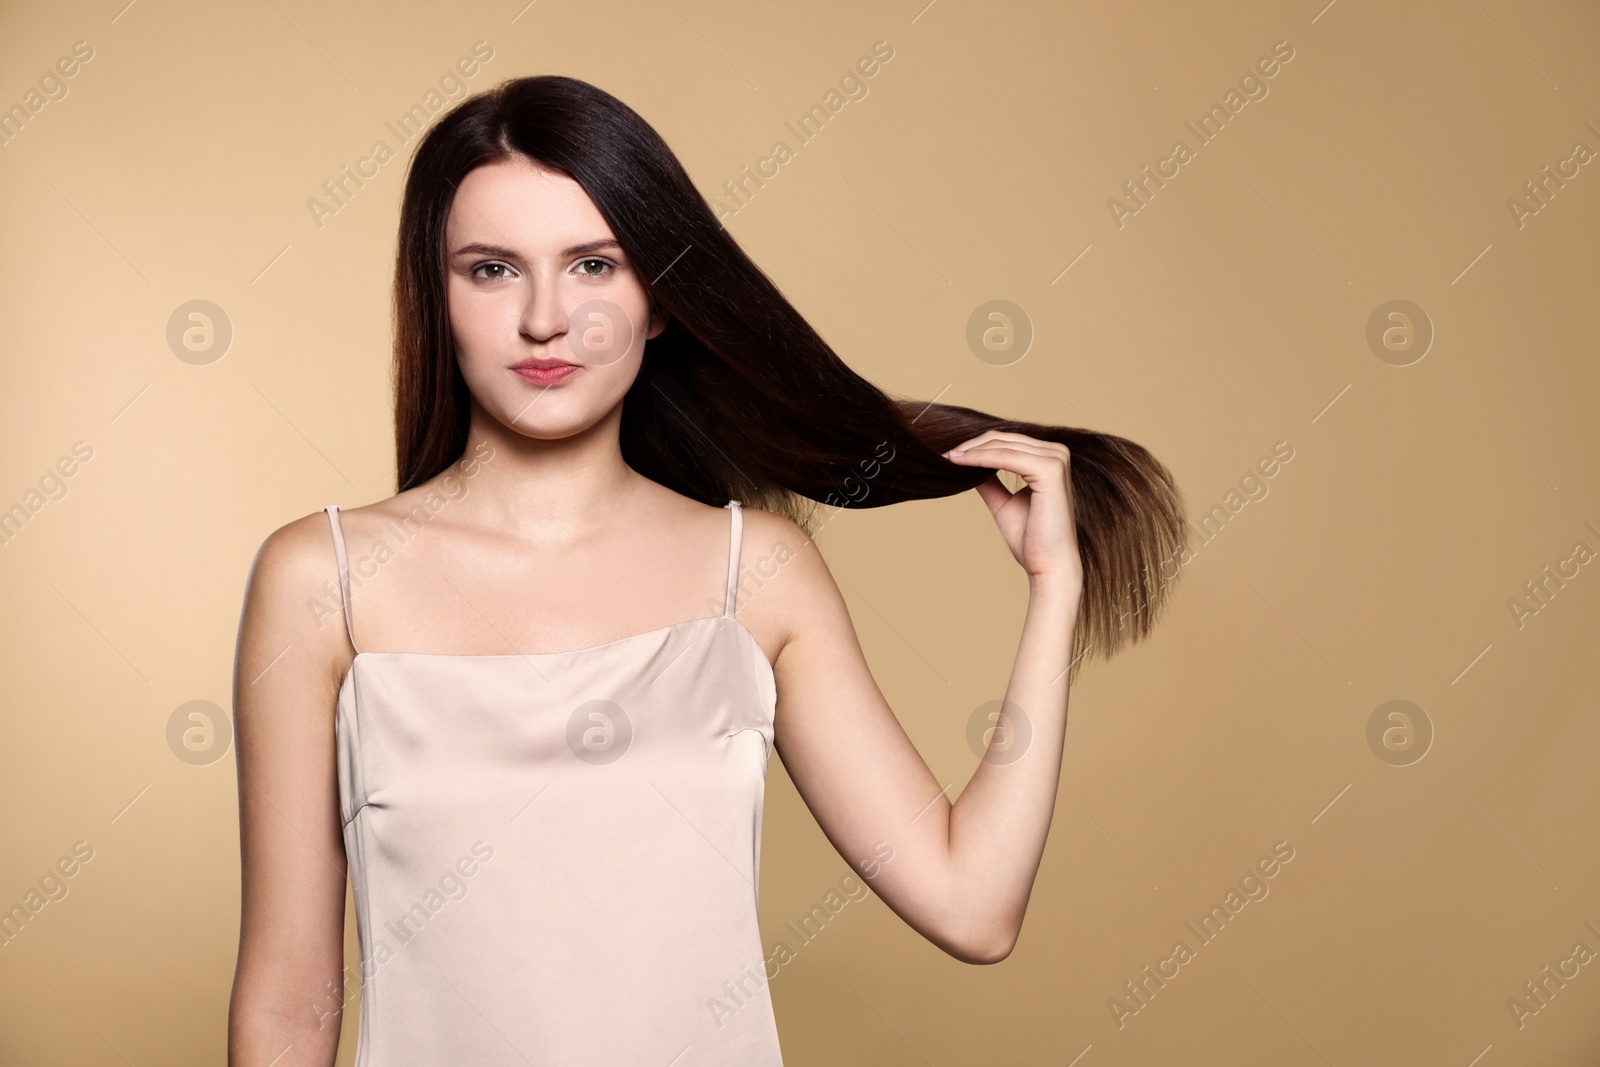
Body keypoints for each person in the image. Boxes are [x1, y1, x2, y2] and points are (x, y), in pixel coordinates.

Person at [227, 75, 1185, 1066]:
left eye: (594, 264)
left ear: (658, 305)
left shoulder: (756, 575)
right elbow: (290, 1003)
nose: (547, 319)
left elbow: (972, 905)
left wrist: (1053, 590)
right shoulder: (323, 580)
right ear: (438, 296)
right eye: (493, 269)